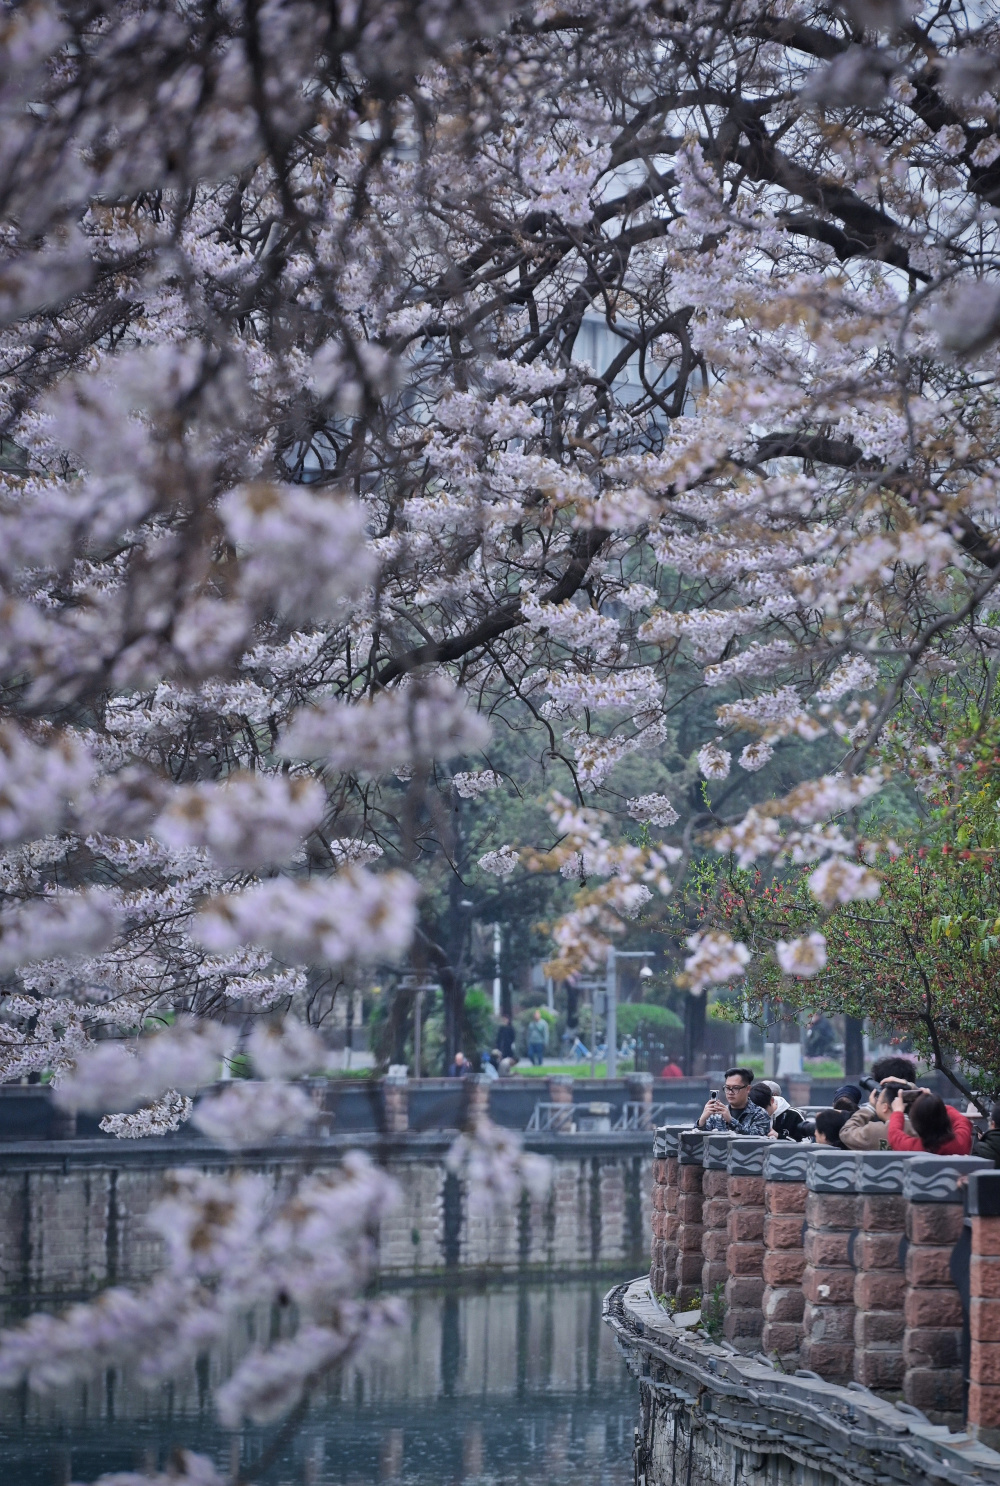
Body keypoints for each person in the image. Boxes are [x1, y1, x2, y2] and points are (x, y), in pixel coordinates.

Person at [840, 1076, 915, 1150]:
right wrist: (910, 1086)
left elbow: (846, 1132)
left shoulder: (874, 1131)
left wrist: (870, 1107)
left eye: (878, 1100)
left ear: (885, 1107)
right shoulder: (920, 1130)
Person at [888, 1090, 974, 1154]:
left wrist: (897, 1111)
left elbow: (894, 1134)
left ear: (916, 1124)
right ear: (946, 1119)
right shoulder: (960, 1143)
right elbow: (962, 1121)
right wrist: (933, 1102)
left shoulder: (914, 1149)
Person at [696, 1067, 772, 1135]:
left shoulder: (759, 1114)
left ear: (748, 1089)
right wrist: (702, 1120)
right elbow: (697, 1140)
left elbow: (756, 1139)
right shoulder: (718, 1114)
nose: (730, 1092)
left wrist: (731, 1120)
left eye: (735, 1088)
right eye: (727, 1088)